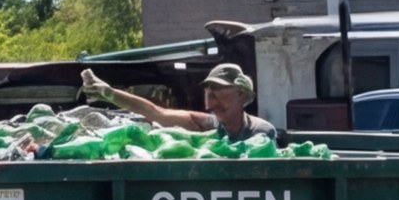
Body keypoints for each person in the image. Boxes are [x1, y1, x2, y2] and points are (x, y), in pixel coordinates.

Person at [90, 60, 278, 141]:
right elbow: (156, 113)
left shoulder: (261, 132)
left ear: (242, 95)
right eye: (209, 94)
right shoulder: (210, 126)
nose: (212, 103)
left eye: (220, 92)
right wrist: (109, 93)